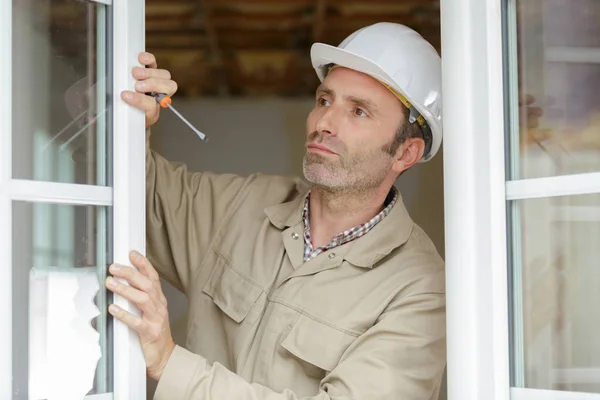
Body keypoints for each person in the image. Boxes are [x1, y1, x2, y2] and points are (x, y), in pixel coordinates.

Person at [106, 22, 446, 399]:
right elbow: (131, 192)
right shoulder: (244, 205)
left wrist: (170, 364)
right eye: (324, 100)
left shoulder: (420, 290)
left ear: (406, 152)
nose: (325, 123)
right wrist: (127, 114)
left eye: (359, 112)